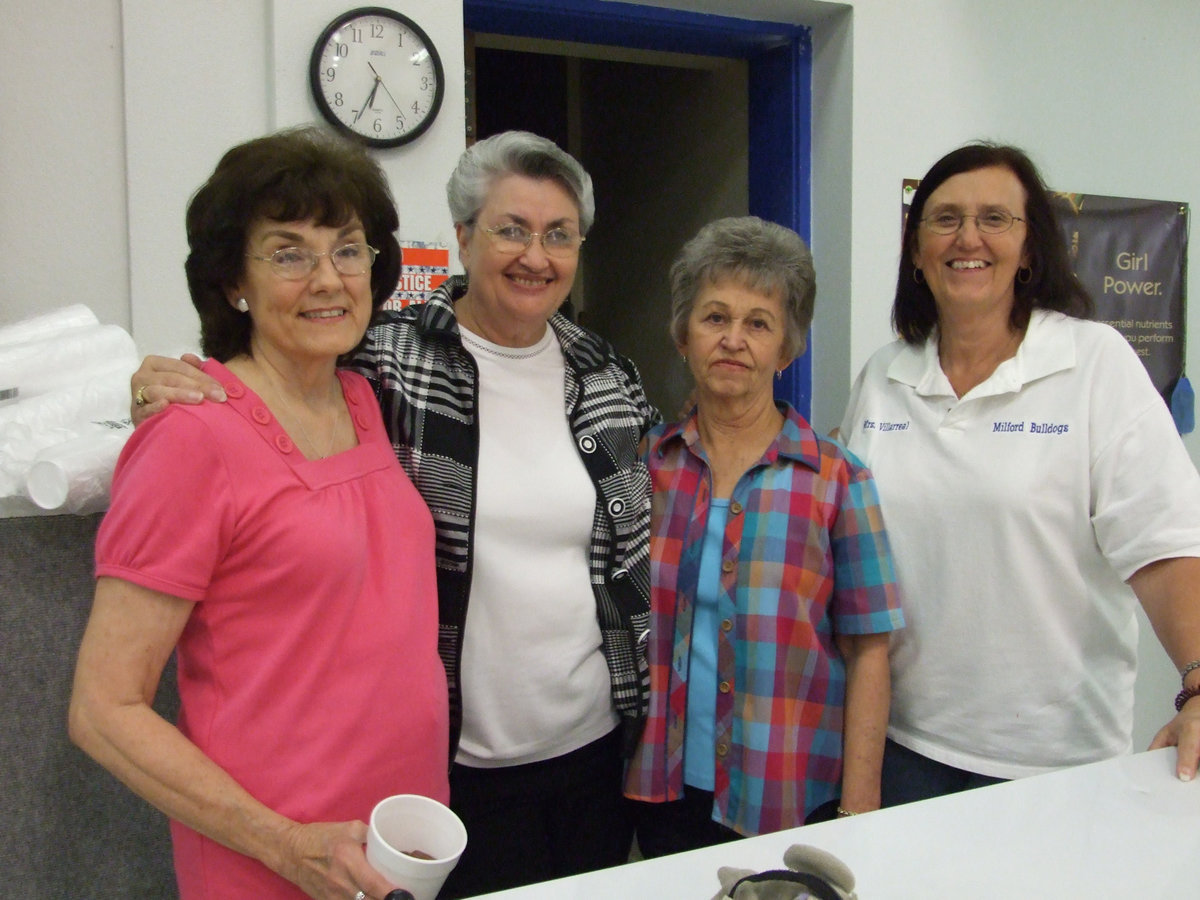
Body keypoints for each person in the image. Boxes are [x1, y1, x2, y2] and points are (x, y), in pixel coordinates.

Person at [126, 130, 658, 896]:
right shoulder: (383, 360)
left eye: (558, 235)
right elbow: (259, 377)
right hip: (456, 764)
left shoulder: (608, 374)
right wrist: (146, 388)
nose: (534, 256)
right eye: (510, 229)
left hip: (593, 747)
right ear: (464, 238)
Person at [68, 127, 448, 900]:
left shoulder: (362, 398)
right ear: (232, 281)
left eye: (348, 249)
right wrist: (284, 846)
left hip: (397, 843)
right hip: (274, 859)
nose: (327, 279)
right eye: (287, 253)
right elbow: (103, 708)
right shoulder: (192, 436)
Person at [837, 142, 1200, 805]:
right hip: (902, 744)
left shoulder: (1093, 363)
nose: (967, 237)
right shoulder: (884, 376)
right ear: (916, 251)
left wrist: (1198, 682)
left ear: (1031, 250)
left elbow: (1166, 546)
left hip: (1055, 763)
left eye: (995, 219)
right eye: (944, 219)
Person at [624, 217, 905, 856]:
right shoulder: (645, 468)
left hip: (787, 797)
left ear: (787, 347)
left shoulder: (838, 480)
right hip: (660, 793)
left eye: (758, 323)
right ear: (682, 336)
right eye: (714, 317)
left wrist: (859, 806)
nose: (733, 340)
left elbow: (870, 652)